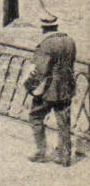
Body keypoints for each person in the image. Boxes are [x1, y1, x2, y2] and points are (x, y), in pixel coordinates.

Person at [26, 14, 77, 165]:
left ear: (44, 28)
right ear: (56, 26)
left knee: (35, 116)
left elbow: (41, 70)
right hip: (67, 86)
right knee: (63, 120)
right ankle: (65, 156)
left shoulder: (46, 44)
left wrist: (30, 87)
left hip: (50, 89)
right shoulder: (70, 41)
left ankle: (42, 152)